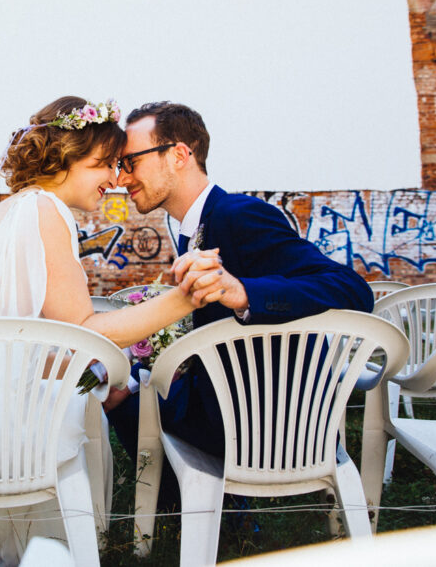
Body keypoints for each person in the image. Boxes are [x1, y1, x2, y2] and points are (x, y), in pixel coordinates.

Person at [0, 96, 218, 565]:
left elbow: (11, 338)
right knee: (81, 408)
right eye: (103, 164)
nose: (114, 179)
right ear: (63, 159)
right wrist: (182, 300)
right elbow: (83, 330)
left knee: (87, 393)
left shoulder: (16, 210)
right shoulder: (46, 212)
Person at [105, 101, 374, 494]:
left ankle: (191, 510)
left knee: (119, 399)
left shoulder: (239, 214)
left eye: (131, 162)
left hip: (263, 421)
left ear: (179, 155)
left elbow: (351, 288)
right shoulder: (188, 226)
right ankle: (208, 508)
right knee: (126, 380)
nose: (121, 178)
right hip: (229, 399)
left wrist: (244, 291)